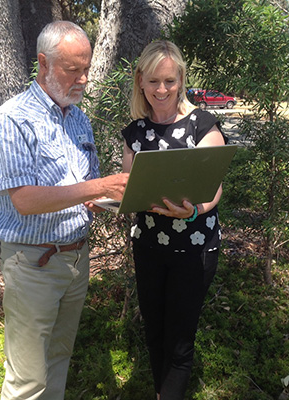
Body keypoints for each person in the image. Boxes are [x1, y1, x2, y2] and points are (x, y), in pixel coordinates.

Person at [0, 21, 128, 400]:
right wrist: (100, 186)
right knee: (27, 379)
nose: (83, 79)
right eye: (72, 69)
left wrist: (120, 198)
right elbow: (24, 200)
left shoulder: (78, 117)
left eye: (86, 68)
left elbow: (84, 192)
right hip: (34, 263)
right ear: (44, 63)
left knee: (59, 359)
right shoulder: (12, 119)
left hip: (76, 259)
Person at [121, 40, 228, 400]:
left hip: (194, 248)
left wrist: (195, 210)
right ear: (140, 82)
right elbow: (130, 187)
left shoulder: (202, 123)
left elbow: (213, 188)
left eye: (169, 80)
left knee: (179, 341)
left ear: (181, 79)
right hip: (149, 246)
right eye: (153, 81)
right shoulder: (135, 132)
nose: (162, 89)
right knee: (154, 333)